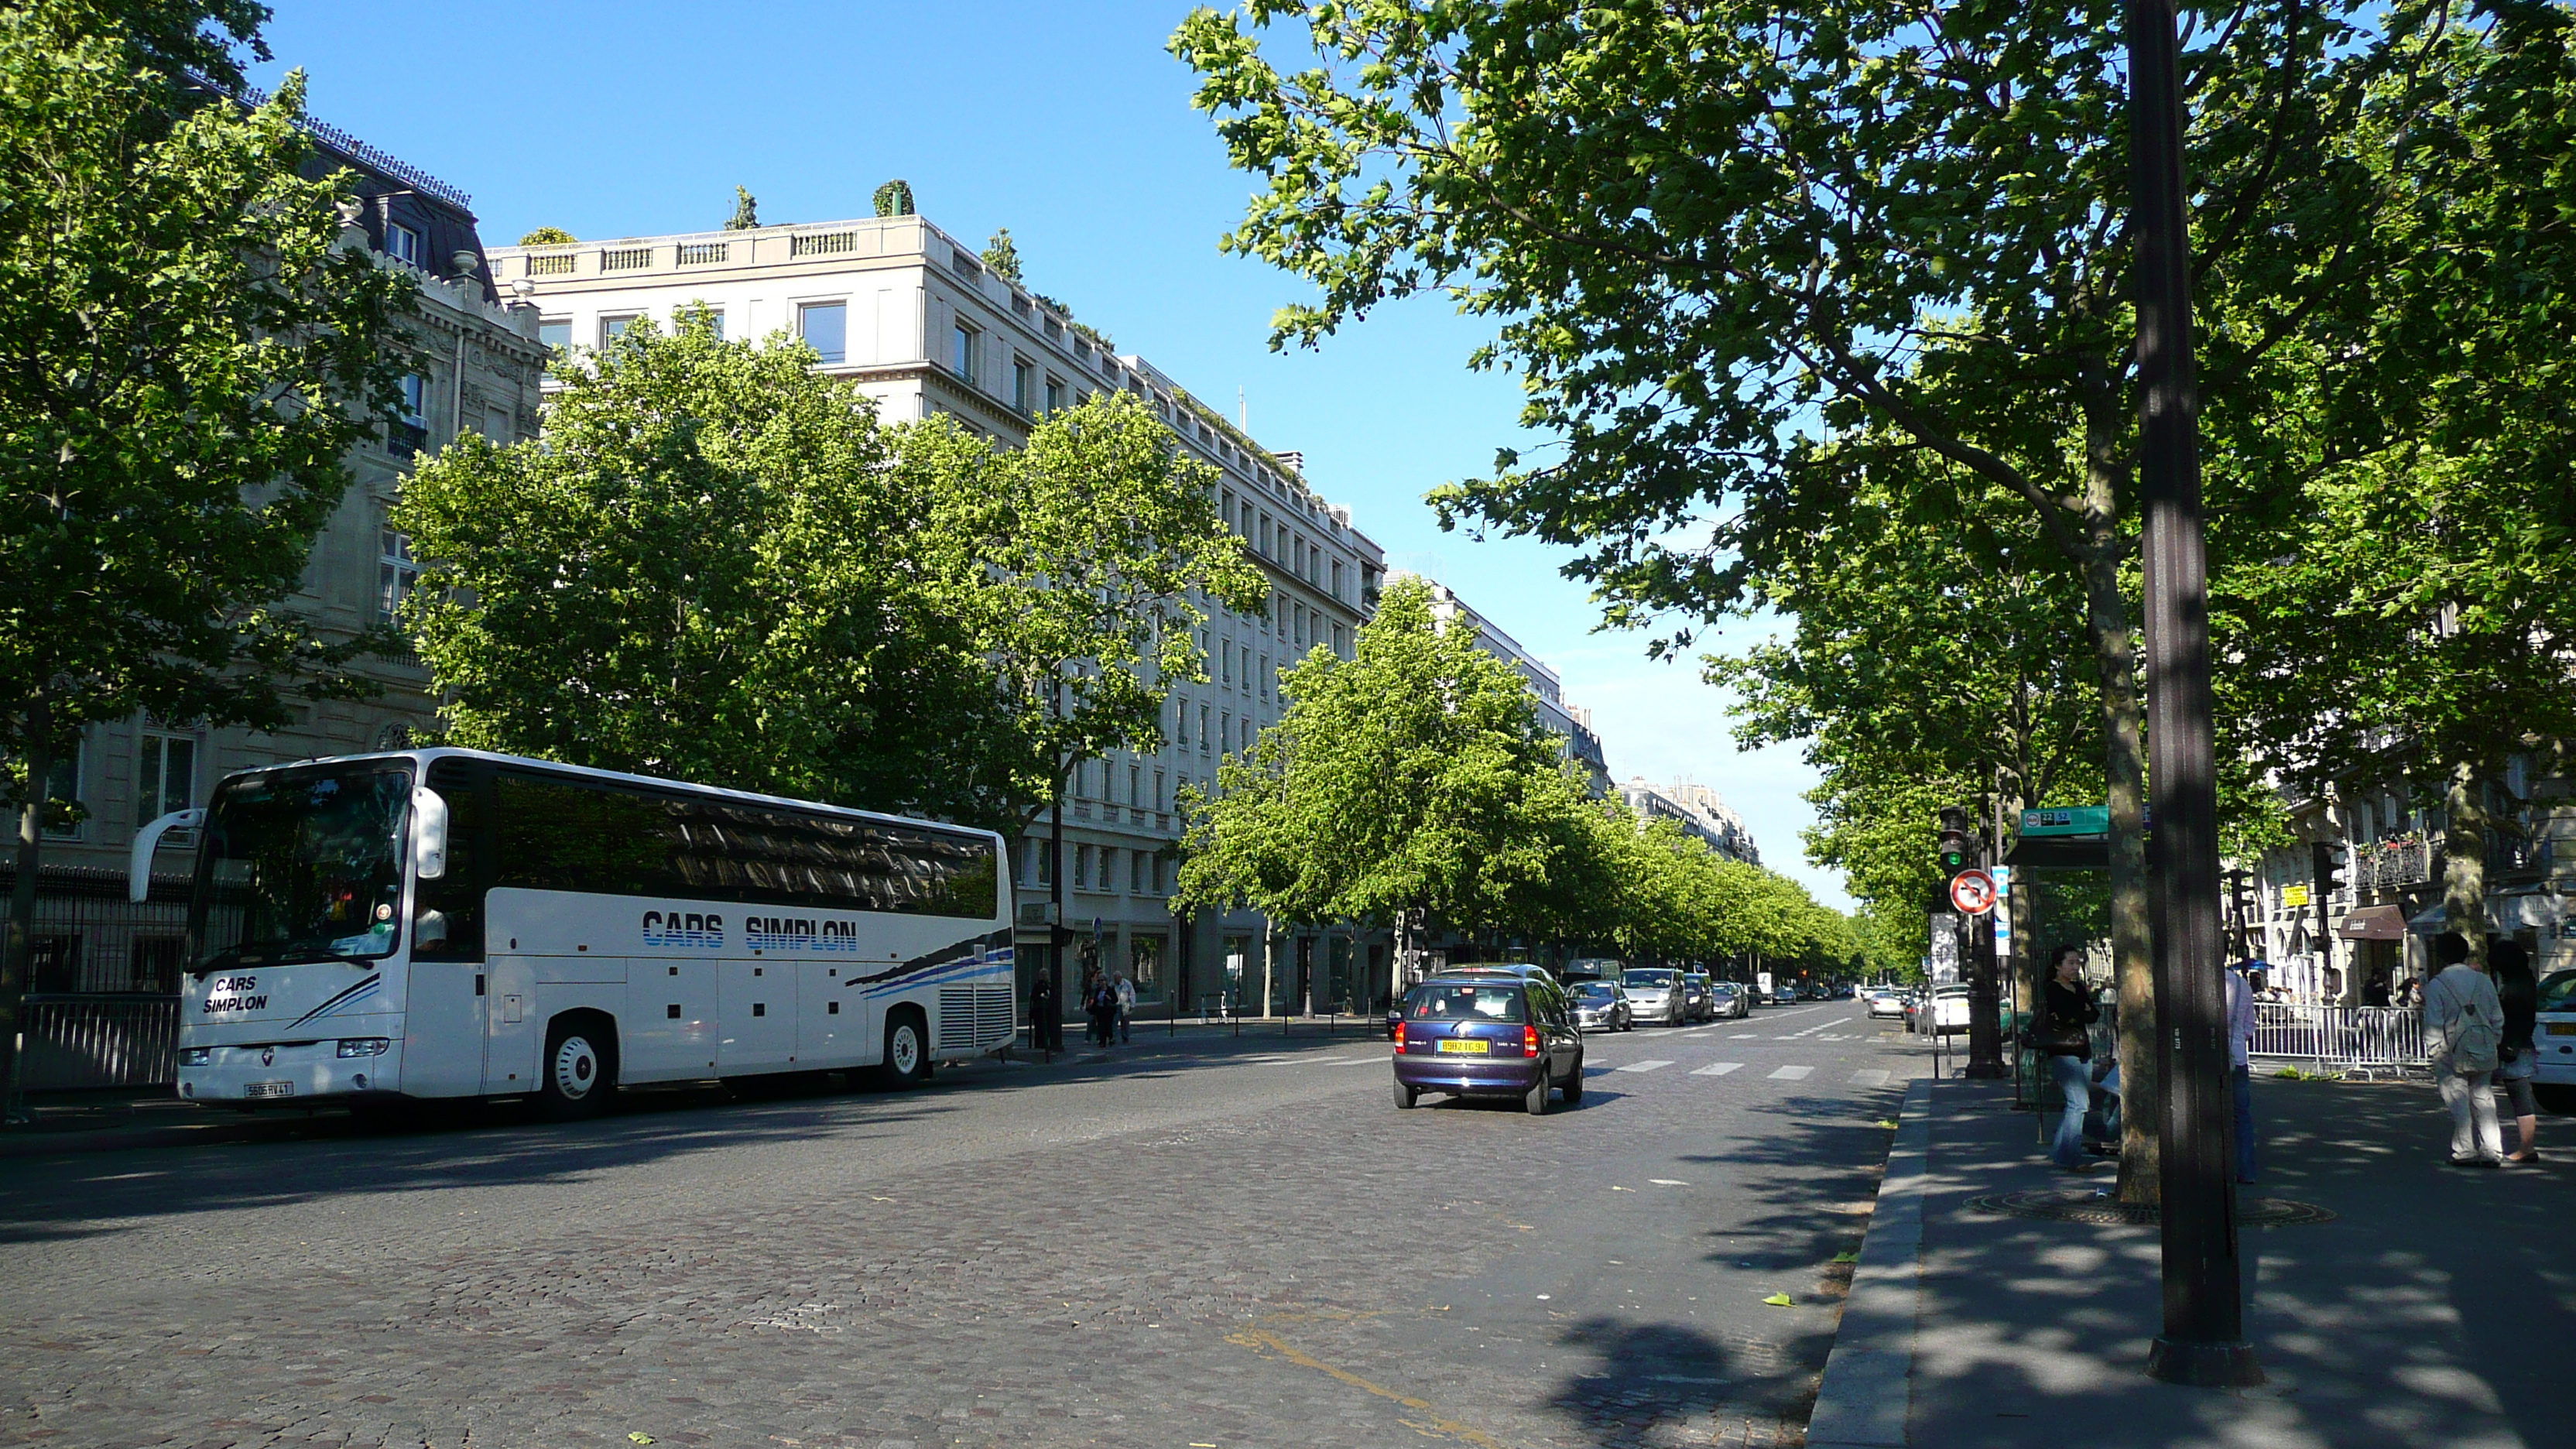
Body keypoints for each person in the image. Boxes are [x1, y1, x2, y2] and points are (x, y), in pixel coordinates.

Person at [2424, 932, 2506, 1167]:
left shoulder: (2437, 985)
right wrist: (2493, 1041)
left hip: (2452, 1050)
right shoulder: (2483, 981)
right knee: (2484, 1099)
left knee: (2458, 1101)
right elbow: (2496, 1016)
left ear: (2441, 956)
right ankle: (2492, 1149)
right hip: (2482, 1045)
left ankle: (2465, 1150)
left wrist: (2437, 1051)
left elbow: (2434, 1022)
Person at [2037, 944, 2102, 1170]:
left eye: (2078, 963)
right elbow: (2067, 1016)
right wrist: (2079, 1013)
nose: (2076, 967)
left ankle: (2059, 1153)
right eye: (2071, 963)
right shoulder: (2052, 989)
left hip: (2082, 1049)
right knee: (2079, 1104)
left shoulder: (2078, 988)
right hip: (2064, 1052)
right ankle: (2071, 1158)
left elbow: (2093, 1014)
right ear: (2058, 966)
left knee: (2075, 1105)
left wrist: (2079, 1014)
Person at [2493, 940, 2543, 1164]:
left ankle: (2526, 1147)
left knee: (2520, 1097)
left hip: (2514, 1045)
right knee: (2520, 1096)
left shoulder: (2515, 987)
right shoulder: (2526, 981)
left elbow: (2513, 1019)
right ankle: (2526, 1146)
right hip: (2522, 1043)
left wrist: (2508, 1047)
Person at [2228, 961, 2259, 1184]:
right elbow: (2250, 1025)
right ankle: (2245, 1169)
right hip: (2237, 1057)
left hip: (2205, 1060)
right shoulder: (2241, 985)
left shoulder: (2196, 983)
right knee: (2241, 1116)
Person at [1030, 971, 1062, 1055]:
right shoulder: (1038, 985)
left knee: (1047, 1027)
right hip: (1040, 1010)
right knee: (1040, 1027)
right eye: (1043, 975)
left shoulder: (1049, 985)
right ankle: (1040, 1043)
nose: (1045, 976)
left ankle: (1044, 1043)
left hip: (1047, 1010)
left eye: (1046, 975)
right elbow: (1035, 996)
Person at [1114, 973, 1136, 1044]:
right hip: (1116, 1005)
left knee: (1125, 1023)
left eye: (1117, 978)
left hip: (1125, 1005)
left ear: (1121, 978)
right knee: (1114, 1022)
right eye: (1115, 978)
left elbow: (1132, 995)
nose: (1116, 980)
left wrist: (1132, 1005)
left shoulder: (1127, 984)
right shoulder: (1112, 984)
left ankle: (1125, 1037)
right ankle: (1113, 1038)